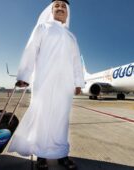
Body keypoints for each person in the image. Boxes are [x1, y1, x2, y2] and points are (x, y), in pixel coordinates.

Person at [8, 0, 84, 169]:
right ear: (51, 10)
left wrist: (78, 82)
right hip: (43, 80)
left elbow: (76, 61)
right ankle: (41, 154)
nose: (60, 8)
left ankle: (62, 154)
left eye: (64, 6)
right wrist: (24, 75)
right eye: (57, 5)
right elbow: (31, 50)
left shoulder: (71, 36)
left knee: (61, 119)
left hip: (65, 83)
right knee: (42, 117)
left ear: (68, 13)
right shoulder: (42, 28)